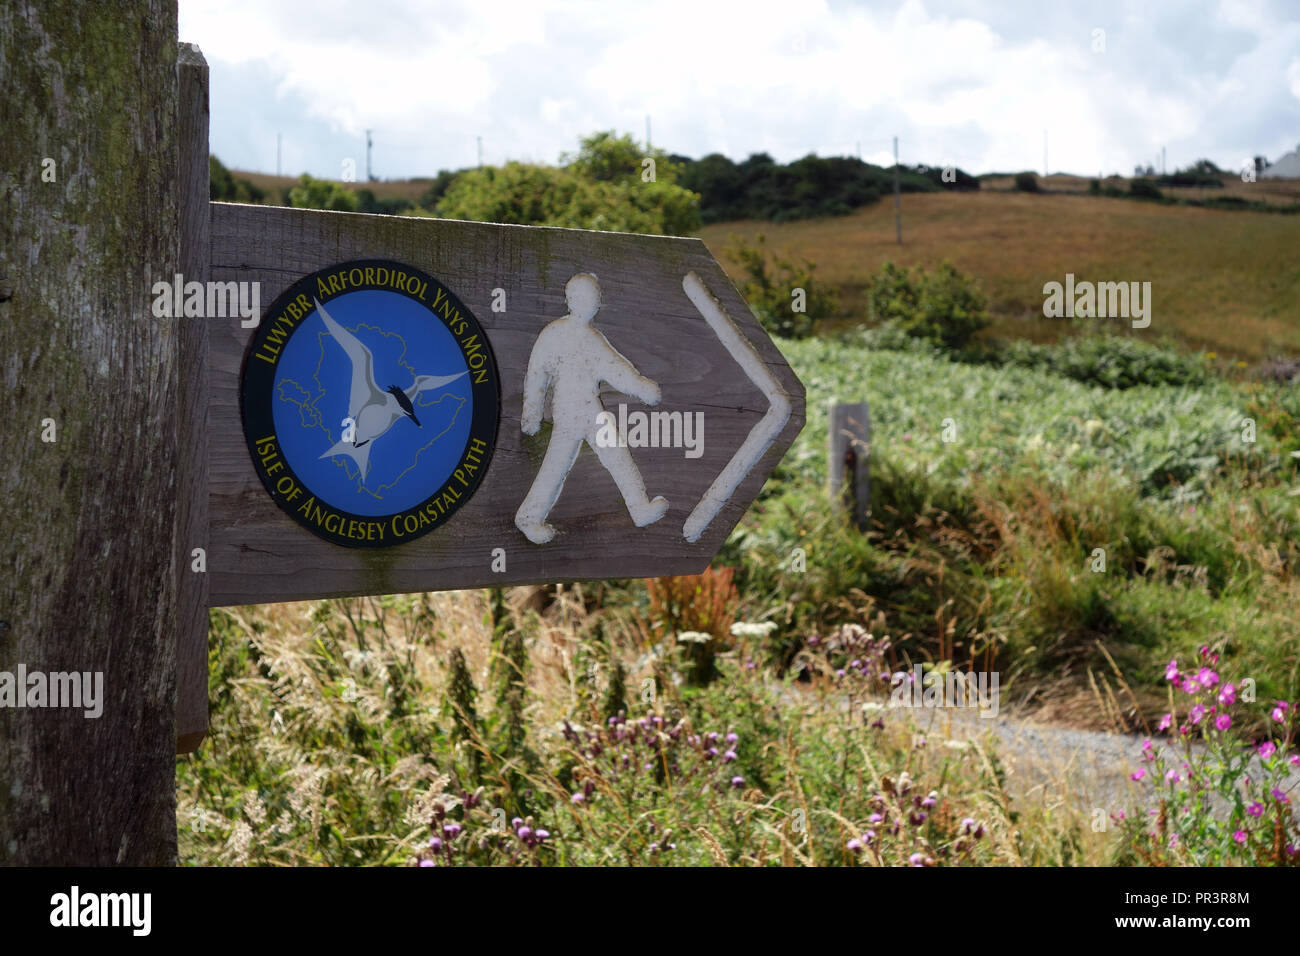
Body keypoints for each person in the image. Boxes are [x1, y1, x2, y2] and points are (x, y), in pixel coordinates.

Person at [515, 272, 669, 544]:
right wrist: (532, 414)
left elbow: (616, 370)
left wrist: (643, 387)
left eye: (595, 299)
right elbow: (537, 375)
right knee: (557, 464)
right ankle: (528, 517)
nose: (592, 303)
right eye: (586, 298)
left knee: (614, 454)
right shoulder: (554, 334)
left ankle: (639, 508)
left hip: (589, 408)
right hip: (569, 408)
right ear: (571, 300)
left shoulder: (592, 338)